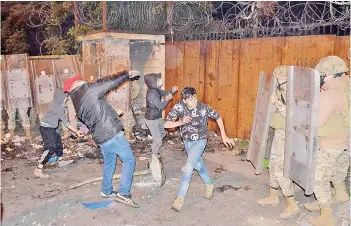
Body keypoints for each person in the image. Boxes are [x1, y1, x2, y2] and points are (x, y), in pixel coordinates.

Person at [67, 70, 140, 208]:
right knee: (129, 160)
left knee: (109, 163)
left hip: (101, 137)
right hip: (111, 134)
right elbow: (108, 82)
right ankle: (123, 193)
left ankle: (106, 190)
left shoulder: (77, 101)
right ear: (80, 84)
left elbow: (96, 113)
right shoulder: (88, 90)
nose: (86, 82)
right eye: (83, 81)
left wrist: (113, 113)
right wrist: (126, 75)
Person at [164, 87, 235, 211]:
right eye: (190, 99)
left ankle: (179, 198)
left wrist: (223, 136)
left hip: (200, 141)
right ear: (184, 100)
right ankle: (209, 184)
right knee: (198, 164)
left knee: (188, 167)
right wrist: (180, 122)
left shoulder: (203, 108)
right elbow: (166, 124)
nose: (194, 101)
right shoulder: (179, 107)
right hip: (187, 141)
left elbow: (218, 117)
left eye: (195, 98)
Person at [304, 57, 350, 226]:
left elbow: (316, 122)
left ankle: (326, 216)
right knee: (336, 172)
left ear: (330, 75)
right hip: (342, 140)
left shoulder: (330, 94)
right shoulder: (345, 86)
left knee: (318, 178)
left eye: (321, 74)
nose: (319, 77)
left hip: (330, 143)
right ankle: (340, 195)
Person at [256, 66, 300, 219]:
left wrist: (278, 103)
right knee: (273, 165)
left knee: (281, 170)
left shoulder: (294, 92)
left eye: (283, 79)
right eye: (279, 78)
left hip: (288, 135)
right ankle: (273, 196)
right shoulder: (281, 91)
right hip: (280, 133)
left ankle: (292, 204)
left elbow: (293, 117)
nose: (281, 81)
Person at [33, 88, 83, 178]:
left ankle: (60, 160)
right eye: (66, 97)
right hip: (46, 129)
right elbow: (65, 122)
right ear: (61, 97)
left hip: (50, 128)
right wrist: (76, 131)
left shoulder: (55, 102)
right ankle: (38, 169)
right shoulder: (58, 107)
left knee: (58, 141)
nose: (67, 99)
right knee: (50, 148)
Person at [144, 73, 178, 185]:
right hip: (151, 119)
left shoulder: (157, 90)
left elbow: (165, 93)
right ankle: (154, 156)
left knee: (162, 133)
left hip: (157, 118)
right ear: (153, 82)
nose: (160, 81)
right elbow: (161, 106)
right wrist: (167, 99)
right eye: (159, 79)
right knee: (158, 140)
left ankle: (155, 148)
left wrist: (172, 91)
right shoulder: (151, 94)